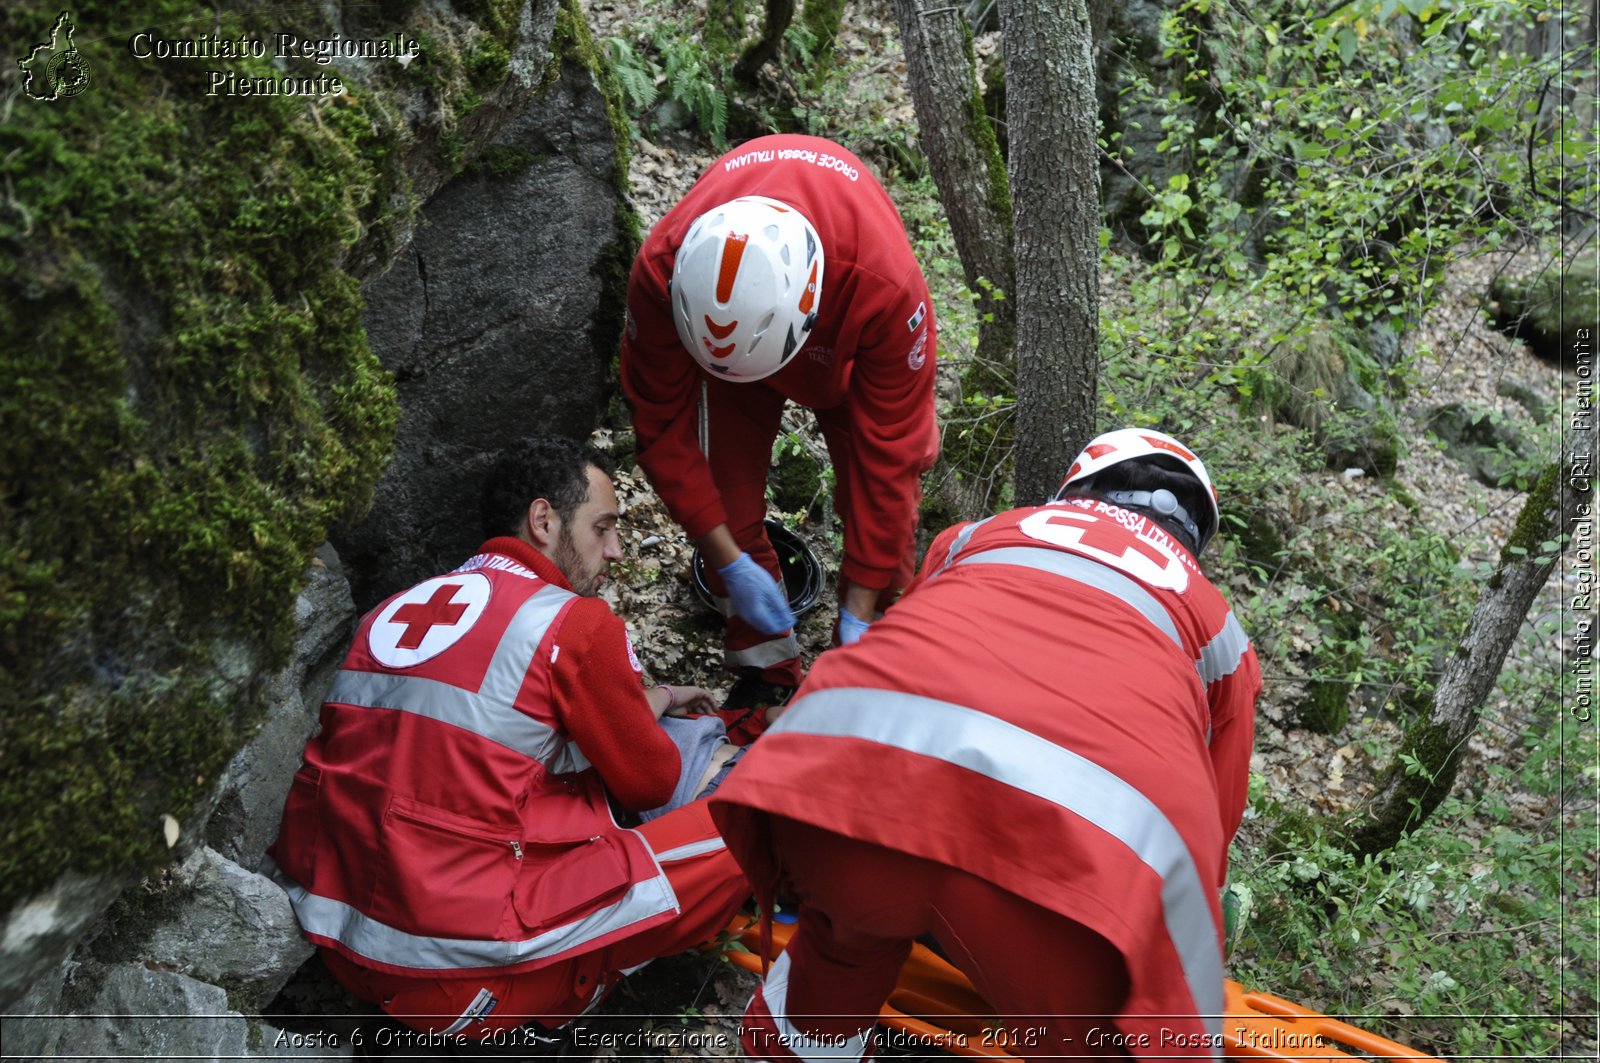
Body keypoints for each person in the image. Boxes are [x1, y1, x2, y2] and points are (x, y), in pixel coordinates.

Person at [710, 428, 1262, 1061]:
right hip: (1072, 878)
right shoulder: (1222, 631)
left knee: (838, 952)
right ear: (1196, 536)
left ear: (1073, 491)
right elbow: (1214, 820)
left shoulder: (978, 534)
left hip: (845, 787)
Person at [265, 436, 752, 1043]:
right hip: (453, 973)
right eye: (602, 528)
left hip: (336, 940)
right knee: (753, 817)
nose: (616, 550)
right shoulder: (570, 622)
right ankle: (567, 994)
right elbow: (650, 776)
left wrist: (658, 698)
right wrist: (661, 701)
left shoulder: (393, 609)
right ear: (543, 520)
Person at [620, 133, 940, 709]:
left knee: (882, 535)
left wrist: (858, 614)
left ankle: (870, 671)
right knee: (726, 503)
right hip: (728, 360)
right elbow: (661, 429)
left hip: (846, 358)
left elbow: (891, 463)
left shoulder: (884, 287)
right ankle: (764, 669)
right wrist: (730, 561)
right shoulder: (663, 270)